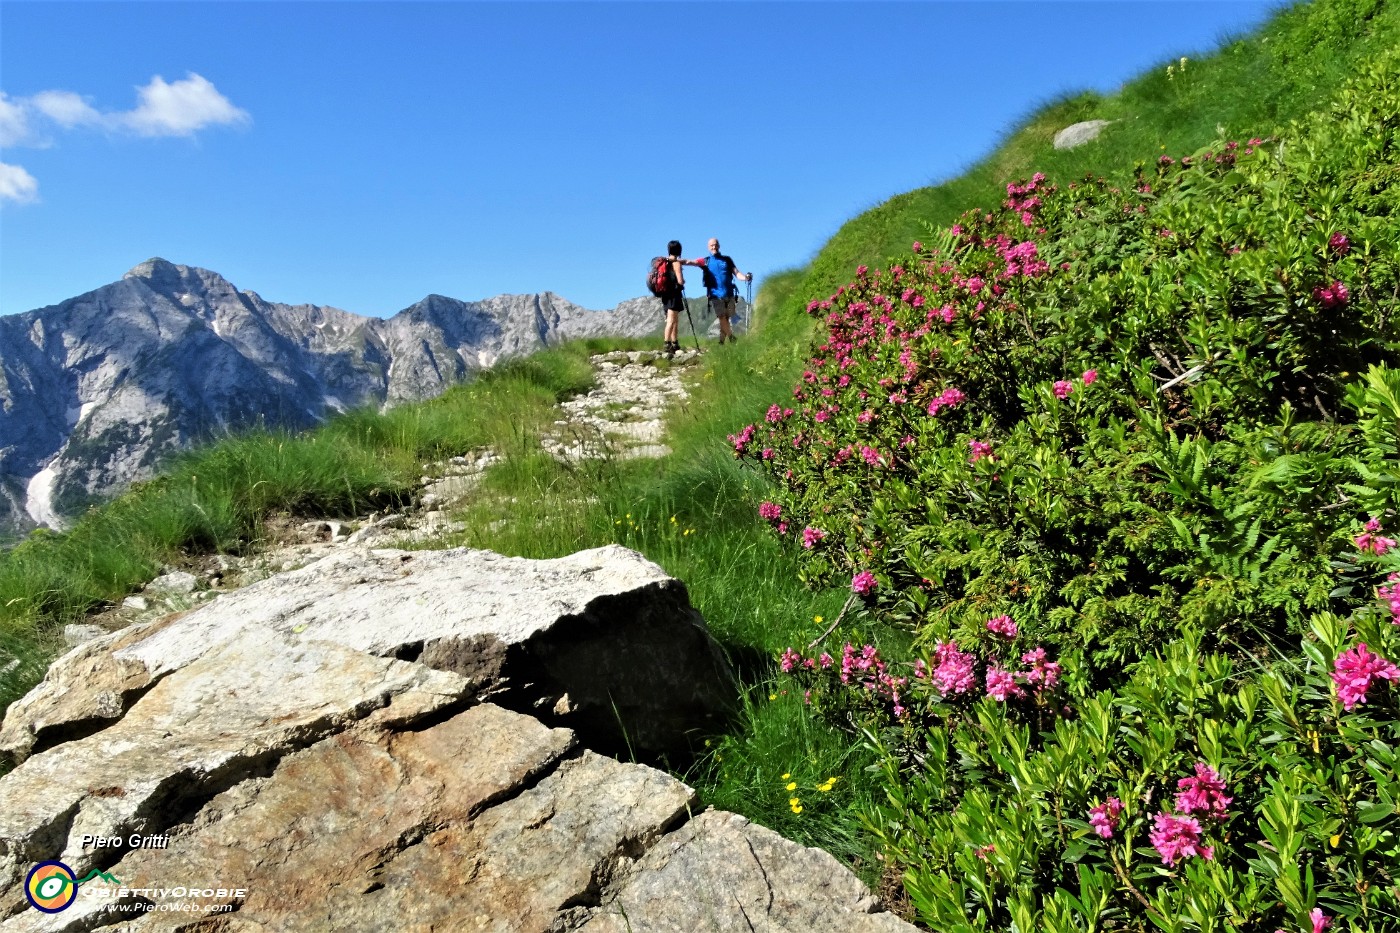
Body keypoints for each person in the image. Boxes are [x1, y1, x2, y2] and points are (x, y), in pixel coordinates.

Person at [684, 238, 752, 345]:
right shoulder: (706, 261)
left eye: (715, 245)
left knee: (725, 319)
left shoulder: (727, 260)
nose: (714, 247)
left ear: (719, 246)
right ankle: (732, 338)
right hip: (715, 295)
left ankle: (721, 343)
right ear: (708, 247)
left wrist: (746, 278)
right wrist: (673, 260)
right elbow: (689, 262)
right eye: (711, 245)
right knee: (721, 317)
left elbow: (737, 273)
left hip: (729, 294)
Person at [658, 240, 687, 358]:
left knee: (673, 319)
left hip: (665, 294)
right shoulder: (676, 263)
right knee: (672, 320)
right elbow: (680, 280)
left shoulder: (664, 262)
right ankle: (667, 343)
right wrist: (683, 282)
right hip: (674, 294)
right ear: (679, 250)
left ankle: (674, 343)